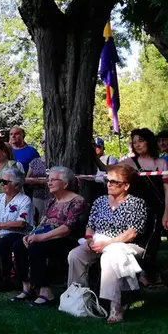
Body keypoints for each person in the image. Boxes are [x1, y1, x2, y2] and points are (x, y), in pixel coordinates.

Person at [67, 164, 147, 324]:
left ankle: (115, 307)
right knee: (75, 255)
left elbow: (132, 233)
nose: (109, 184)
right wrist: (89, 240)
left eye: (114, 182)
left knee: (111, 256)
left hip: (126, 245)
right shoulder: (100, 201)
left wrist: (107, 243)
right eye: (108, 180)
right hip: (99, 242)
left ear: (126, 185)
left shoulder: (136, 203)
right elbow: (90, 225)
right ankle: (80, 301)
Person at [11, 167, 87, 306]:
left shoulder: (77, 201)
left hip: (67, 240)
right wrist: (30, 235)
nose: (49, 183)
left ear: (65, 184)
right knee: (19, 245)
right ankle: (27, 288)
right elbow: (42, 223)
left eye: (53, 180)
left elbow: (67, 229)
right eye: (48, 180)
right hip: (47, 238)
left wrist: (41, 238)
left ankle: (46, 292)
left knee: (37, 247)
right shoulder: (51, 201)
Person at [119, 128, 168, 287]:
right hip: (135, 209)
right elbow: (109, 171)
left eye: (140, 140)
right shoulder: (128, 162)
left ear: (148, 141)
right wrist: (94, 157)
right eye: (134, 142)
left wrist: (166, 212)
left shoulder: (160, 163)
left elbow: (167, 190)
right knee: (137, 241)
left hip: (157, 209)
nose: (137, 144)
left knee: (152, 242)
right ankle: (144, 274)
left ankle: (149, 274)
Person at [25, 138, 49, 220]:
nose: (44, 144)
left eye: (46, 141)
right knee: (38, 219)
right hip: (37, 195)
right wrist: (43, 181)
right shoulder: (35, 162)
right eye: (42, 142)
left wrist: (37, 180)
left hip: (54, 196)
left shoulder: (57, 161)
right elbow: (27, 179)